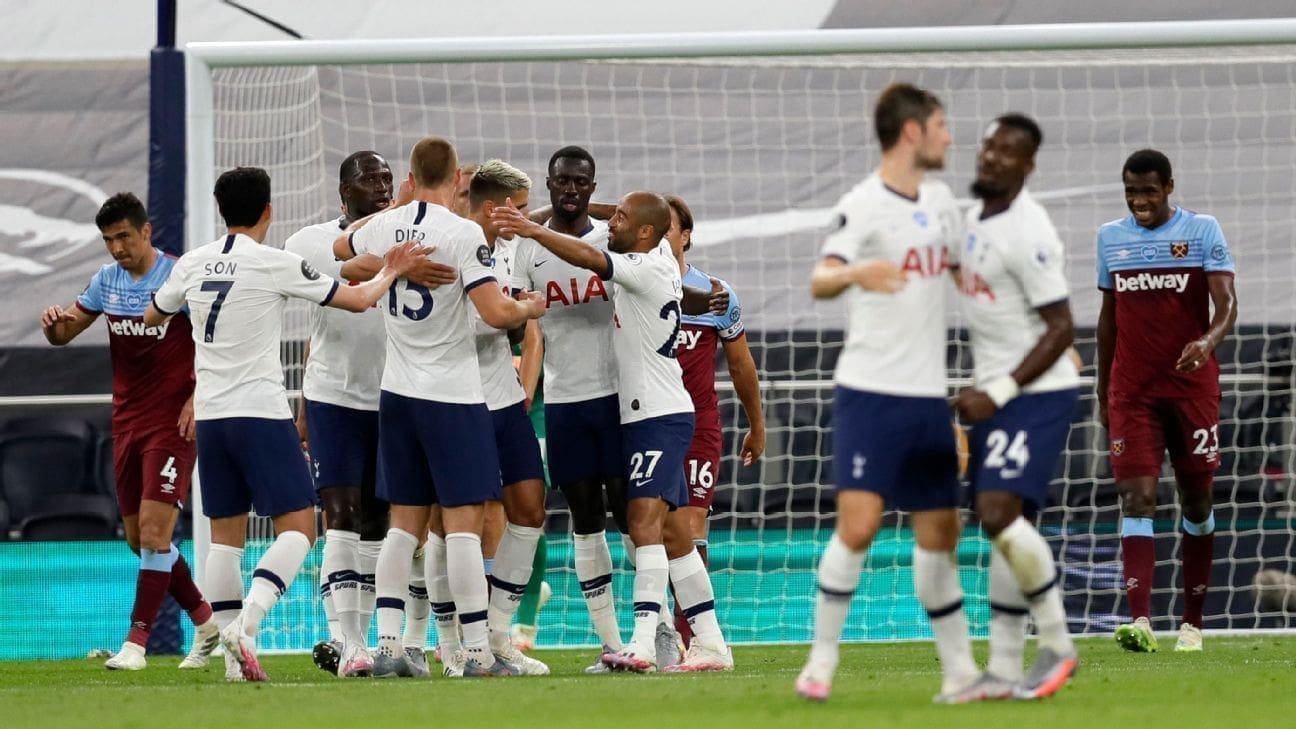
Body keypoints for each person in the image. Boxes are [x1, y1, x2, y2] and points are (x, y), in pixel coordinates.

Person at [143, 166, 427, 682]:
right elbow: (361, 300)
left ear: (221, 209)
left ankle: (234, 665)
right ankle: (247, 624)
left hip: (211, 417)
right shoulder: (274, 261)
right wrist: (393, 267)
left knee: (224, 539)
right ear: (268, 210)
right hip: (260, 412)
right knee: (301, 526)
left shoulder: (192, 262)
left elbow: (153, 316)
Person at [494, 190, 735, 674]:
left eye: (622, 217)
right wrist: (586, 212)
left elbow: (589, 255)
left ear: (645, 232)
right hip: (653, 410)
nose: (611, 221)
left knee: (644, 525)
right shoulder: (661, 253)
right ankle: (712, 642)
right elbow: (627, 224)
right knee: (673, 533)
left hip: (654, 415)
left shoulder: (639, 266)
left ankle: (645, 641)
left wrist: (536, 229)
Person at [332, 136, 547, 678]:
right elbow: (497, 313)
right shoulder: (462, 232)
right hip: (452, 396)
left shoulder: (386, 223)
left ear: (410, 175)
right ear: (457, 180)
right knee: (465, 528)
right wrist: (532, 304)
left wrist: (395, 265)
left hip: (397, 393)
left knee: (403, 527)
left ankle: (388, 648)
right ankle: (474, 653)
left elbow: (342, 254)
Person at [794, 82, 975, 703]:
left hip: (928, 398)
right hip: (869, 392)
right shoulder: (862, 203)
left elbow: (965, 278)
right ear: (912, 133)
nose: (950, 137)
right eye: (942, 125)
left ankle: (960, 674)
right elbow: (820, 279)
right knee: (860, 525)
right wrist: (854, 273)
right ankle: (819, 664)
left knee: (940, 533)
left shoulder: (945, 203)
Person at [286, 150, 455, 678]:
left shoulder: (414, 236)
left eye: (387, 178)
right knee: (341, 514)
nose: (381, 186)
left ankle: (404, 641)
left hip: (394, 397)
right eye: (368, 178)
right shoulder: (308, 241)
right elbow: (353, 275)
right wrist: (303, 408)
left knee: (389, 526)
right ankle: (348, 641)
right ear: (343, 191)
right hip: (333, 395)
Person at [39, 192, 218, 672]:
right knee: (140, 541)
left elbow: (214, 342)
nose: (117, 248)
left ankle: (135, 644)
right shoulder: (106, 281)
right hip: (128, 421)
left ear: (146, 232)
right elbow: (66, 334)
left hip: (173, 423)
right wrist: (55, 325)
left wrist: (198, 397)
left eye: (123, 237)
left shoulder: (179, 276)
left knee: (158, 534)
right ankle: (206, 623)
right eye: (108, 240)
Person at [950, 114, 1079, 700]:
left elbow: (1061, 328)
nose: (990, 157)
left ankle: (1056, 643)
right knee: (1001, 521)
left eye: (1006, 151)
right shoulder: (974, 217)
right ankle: (1003, 670)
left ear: (1027, 165)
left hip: (1036, 391)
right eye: (987, 145)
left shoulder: (1031, 233)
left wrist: (998, 391)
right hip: (996, 392)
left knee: (998, 511)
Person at [1096, 149, 1238, 653]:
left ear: (1169, 187)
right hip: (1132, 393)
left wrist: (1208, 340)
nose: (1139, 201)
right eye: (1131, 191)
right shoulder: (1110, 239)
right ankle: (1141, 622)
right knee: (1137, 498)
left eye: (1148, 191)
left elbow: (1226, 303)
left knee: (1196, 502)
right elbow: (1108, 318)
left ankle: (1192, 625)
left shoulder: (1202, 232)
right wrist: (1102, 391)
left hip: (1191, 390)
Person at [510, 146, 630, 671]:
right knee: (584, 522)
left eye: (582, 182)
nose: (572, 189)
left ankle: (659, 631)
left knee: (636, 519)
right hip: (564, 402)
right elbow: (518, 321)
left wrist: (606, 212)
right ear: (549, 183)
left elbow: (661, 212)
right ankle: (612, 643)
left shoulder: (614, 241)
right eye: (563, 181)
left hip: (622, 398)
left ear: (593, 185)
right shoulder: (527, 250)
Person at [454, 159, 552, 676]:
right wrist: (523, 310)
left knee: (529, 509)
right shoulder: (451, 241)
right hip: (456, 400)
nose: (523, 216)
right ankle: (455, 643)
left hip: (506, 399)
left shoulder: (516, 250)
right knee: (454, 523)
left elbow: (529, 334)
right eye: (516, 208)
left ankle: (500, 633)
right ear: (492, 207)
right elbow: (496, 317)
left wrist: (524, 391)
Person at [659, 194, 765, 662]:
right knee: (648, 526)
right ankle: (659, 631)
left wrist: (756, 425)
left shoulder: (716, 294)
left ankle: (695, 638)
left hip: (699, 424)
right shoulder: (631, 286)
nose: (658, 237)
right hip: (644, 421)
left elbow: (741, 364)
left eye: (667, 228)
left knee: (691, 522)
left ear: (686, 237)